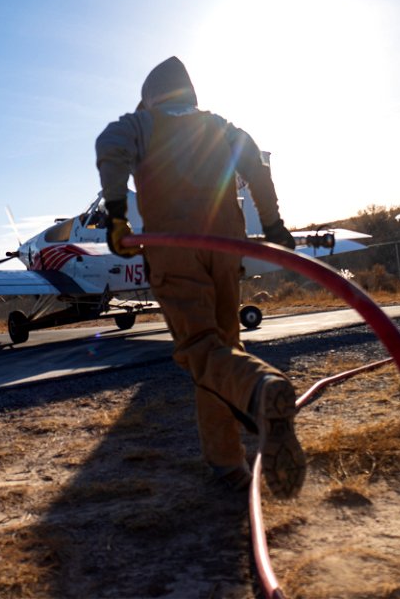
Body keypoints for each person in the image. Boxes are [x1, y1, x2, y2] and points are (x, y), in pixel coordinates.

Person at [95, 56, 305, 497]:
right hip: (226, 250)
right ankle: (228, 463)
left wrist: (116, 216)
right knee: (223, 351)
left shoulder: (143, 124)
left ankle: (259, 389)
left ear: (152, 98)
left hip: (176, 253)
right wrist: (273, 228)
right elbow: (258, 171)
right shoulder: (222, 129)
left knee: (201, 350)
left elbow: (110, 143)